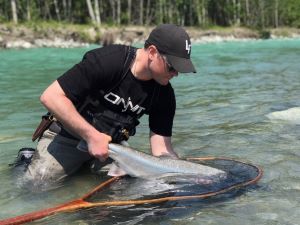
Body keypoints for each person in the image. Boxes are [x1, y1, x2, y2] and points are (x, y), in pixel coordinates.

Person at [18, 24, 196, 186]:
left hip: (112, 150)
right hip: (67, 138)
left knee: (127, 191)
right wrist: (92, 136)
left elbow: (162, 151)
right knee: (35, 188)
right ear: (151, 52)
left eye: (180, 69)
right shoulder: (108, 61)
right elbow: (50, 96)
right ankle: (26, 161)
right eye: (172, 67)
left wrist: (184, 175)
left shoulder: (164, 94)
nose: (176, 74)